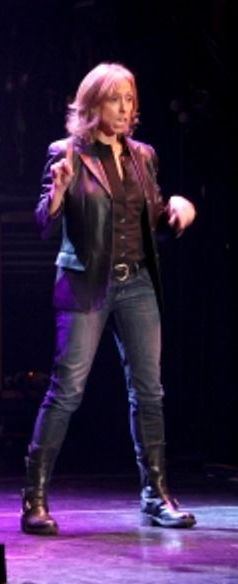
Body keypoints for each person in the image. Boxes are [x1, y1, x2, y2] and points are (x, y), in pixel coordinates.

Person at [21, 63, 198, 535]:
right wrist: (57, 194)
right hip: (86, 283)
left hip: (137, 281)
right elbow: (45, 225)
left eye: (130, 98)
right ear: (92, 104)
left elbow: (153, 218)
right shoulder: (68, 154)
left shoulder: (144, 156)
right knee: (67, 391)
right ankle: (34, 498)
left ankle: (157, 494)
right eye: (114, 99)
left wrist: (176, 211)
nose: (124, 108)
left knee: (150, 391)